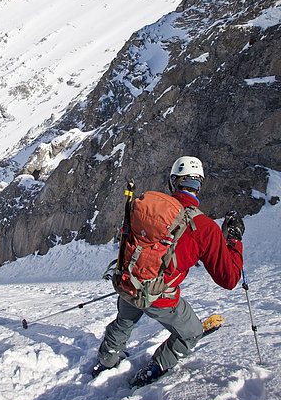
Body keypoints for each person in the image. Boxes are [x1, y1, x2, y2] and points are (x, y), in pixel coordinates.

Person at [92, 156, 244, 386]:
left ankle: (105, 362)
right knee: (191, 333)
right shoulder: (206, 228)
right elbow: (229, 278)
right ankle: (153, 370)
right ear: (199, 185)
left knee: (124, 320)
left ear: (173, 182)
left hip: (129, 281)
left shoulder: (149, 209)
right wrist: (233, 240)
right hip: (160, 297)